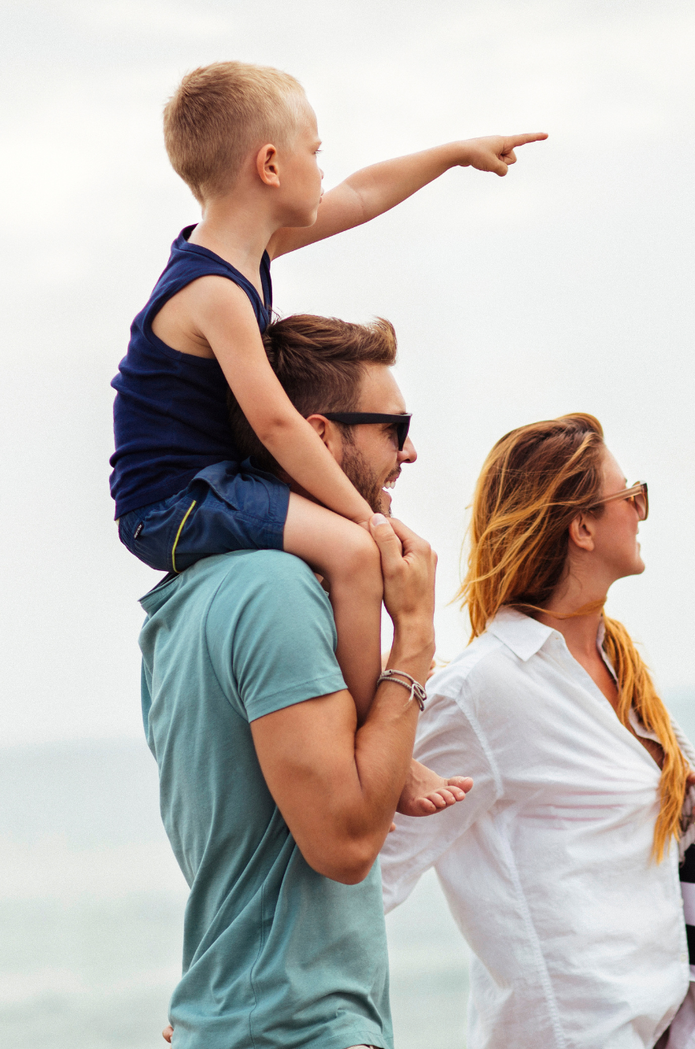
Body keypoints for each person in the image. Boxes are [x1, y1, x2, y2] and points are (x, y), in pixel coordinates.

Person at [110, 60, 545, 721]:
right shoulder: (216, 291)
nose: (323, 167)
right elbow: (280, 426)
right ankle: (377, 736)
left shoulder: (249, 253)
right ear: (270, 165)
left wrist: (457, 153)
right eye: (314, 151)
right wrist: (364, 519)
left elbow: (363, 194)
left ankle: (370, 714)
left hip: (213, 482)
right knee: (352, 550)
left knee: (363, 545)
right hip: (172, 504)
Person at [141, 314, 473, 1049]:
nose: (411, 452)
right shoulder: (276, 594)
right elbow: (347, 840)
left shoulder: (188, 601)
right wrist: (418, 641)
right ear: (319, 435)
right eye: (394, 428)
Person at [379, 413, 695, 1049]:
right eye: (629, 494)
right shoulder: (487, 688)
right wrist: (247, 988)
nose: (640, 510)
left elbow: (595, 830)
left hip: (632, 1046)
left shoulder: (613, 665)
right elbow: (372, 857)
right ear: (581, 526)